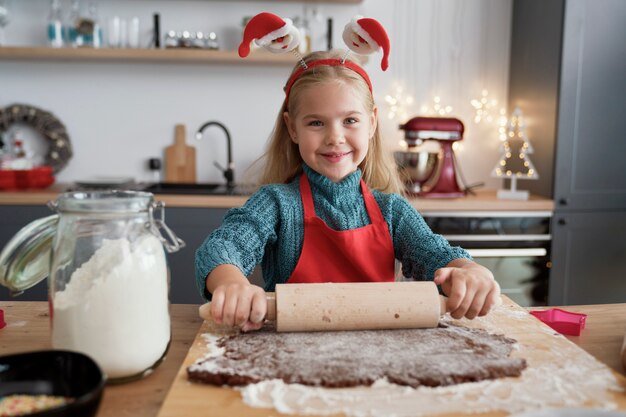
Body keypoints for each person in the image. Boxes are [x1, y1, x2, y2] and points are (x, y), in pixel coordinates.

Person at [196, 23, 500, 333]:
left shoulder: (392, 211)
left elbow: (435, 254)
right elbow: (223, 246)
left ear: (371, 123)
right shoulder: (276, 204)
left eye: (350, 120)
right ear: (292, 129)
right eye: (316, 123)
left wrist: (467, 270)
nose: (335, 137)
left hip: (380, 357)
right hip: (291, 357)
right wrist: (232, 283)